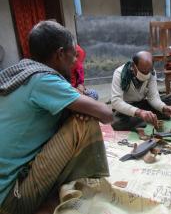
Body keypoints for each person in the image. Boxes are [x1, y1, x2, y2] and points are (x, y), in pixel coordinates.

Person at [0, 21, 112, 214]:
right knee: (82, 121)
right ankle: (84, 188)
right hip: (11, 199)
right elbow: (106, 114)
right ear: (60, 53)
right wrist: (83, 109)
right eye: (73, 54)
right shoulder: (44, 80)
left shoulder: (22, 70)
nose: (75, 60)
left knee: (77, 110)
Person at [111, 51, 171, 131]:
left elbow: (153, 97)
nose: (146, 74)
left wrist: (163, 107)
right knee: (117, 123)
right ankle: (146, 117)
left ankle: (143, 119)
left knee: (170, 100)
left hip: (142, 104)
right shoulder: (119, 73)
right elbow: (116, 102)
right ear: (133, 66)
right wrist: (139, 112)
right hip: (127, 106)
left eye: (148, 71)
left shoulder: (152, 72)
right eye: (142, 71)